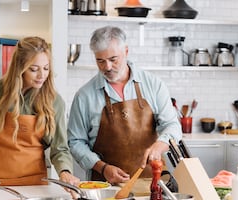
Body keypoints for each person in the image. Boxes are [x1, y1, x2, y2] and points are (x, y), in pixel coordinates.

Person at [67, 26, 182, 184]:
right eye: (100, 61)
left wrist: (160, 145)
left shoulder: (154, 85)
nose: (107, 67)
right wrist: (103, 168)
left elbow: (172, 126)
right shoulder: (84, 96)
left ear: (126, 51)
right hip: (105, 187)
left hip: (153, 184)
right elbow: (75, 142)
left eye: (113, 59)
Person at [0, 36, 80, 188]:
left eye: (46, 68)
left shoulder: (54, 101)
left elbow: (60, 148)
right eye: (34, 69)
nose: (41, 75)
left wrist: (65, 172)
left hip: (34, 185)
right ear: (20, 68)